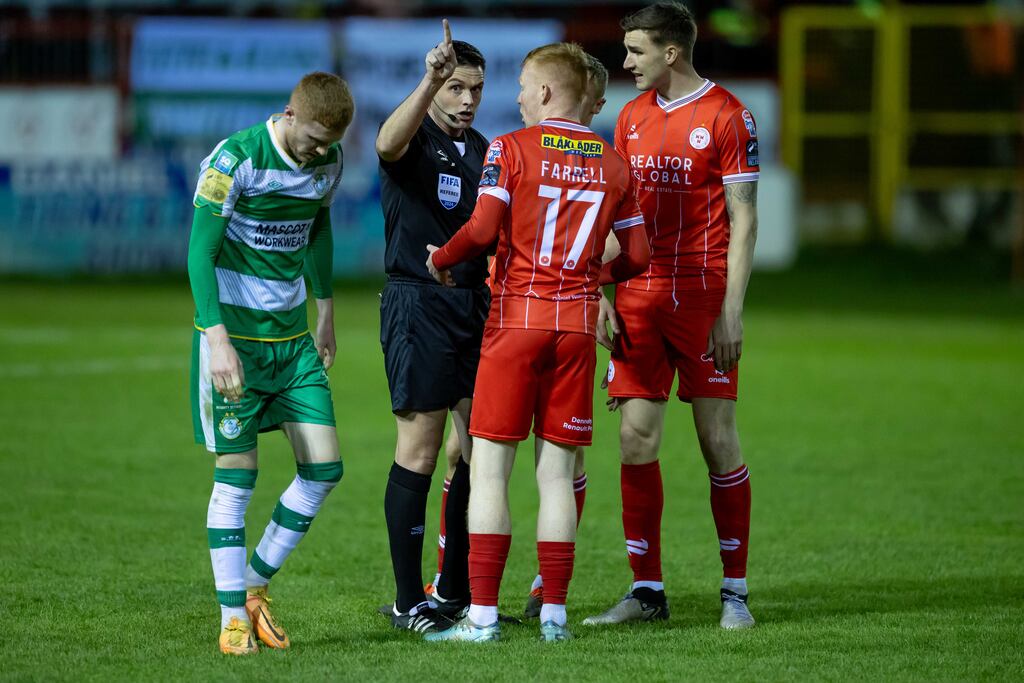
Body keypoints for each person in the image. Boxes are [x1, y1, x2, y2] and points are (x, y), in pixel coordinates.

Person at [423, 42, 650, 643]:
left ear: (547, 92)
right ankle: (553, 615)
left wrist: (441, 260)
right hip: (576, 328)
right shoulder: (612, 160)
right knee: (557, 476)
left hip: (516, 324)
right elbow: (639, 255)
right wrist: (592, 279)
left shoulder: (510, 148)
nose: (517, 96)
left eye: (524, 85)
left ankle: (482, 618)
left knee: (492, 470)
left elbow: (482, 230)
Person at [582, 2, 759, 630]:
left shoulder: (728, 116)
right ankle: (647, 591)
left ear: (671, 52)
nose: (625, 61)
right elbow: (613, 214)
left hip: (702, 297)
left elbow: (744, 221)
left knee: (717, 440)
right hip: (636, 296)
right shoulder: (629, 118)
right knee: (634, 439)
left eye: (635, 50)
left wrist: (731, 311)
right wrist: (601, 290)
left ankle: (734, 591)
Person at [186, 72, 354, 655]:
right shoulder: (234, 159)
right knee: (238, 477)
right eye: (310, 139)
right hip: (237, 343)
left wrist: (325, 307)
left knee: (325, 471)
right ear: (290, 113)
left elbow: (318, 227)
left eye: (327, 144)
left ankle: (253, 585)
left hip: (294, 344)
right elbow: (199, 252)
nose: (317, 152)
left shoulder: (329, 162)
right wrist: (216, 339)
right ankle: (233, 618)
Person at [375, 19, 489, 633]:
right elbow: (385, 145)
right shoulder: (414, 137)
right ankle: (405, 601)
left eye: (475, 88)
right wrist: (429, 79)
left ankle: (453, 586)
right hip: (418, 304)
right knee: (418, 450)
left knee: (474, 445)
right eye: (456, 88)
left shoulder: (484, 150)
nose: (466, 99)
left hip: (476, 305)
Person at [521, 52, 609, 620]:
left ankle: (538, 588)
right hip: (532, 313)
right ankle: (448, 582)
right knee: (466, 448)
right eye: (592, 102)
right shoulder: (530, 150)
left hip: (533, 317)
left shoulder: (585, 160)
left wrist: (598, 291)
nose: (596, 113)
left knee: (557, 458)